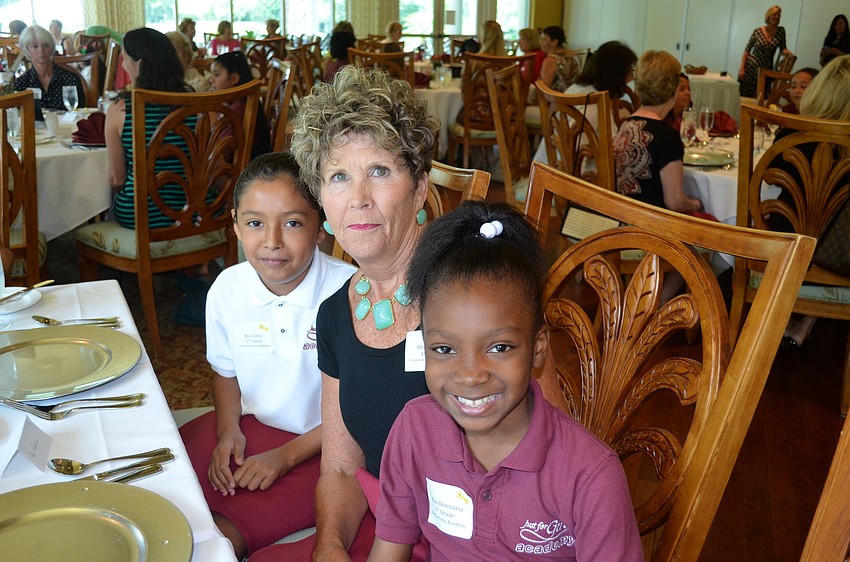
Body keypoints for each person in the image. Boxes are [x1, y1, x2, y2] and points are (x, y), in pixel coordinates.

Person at [367, 201, 644, 561]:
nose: (471, 374)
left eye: (499, 347)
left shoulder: (589, 475)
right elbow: (389, 548)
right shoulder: (414, 430)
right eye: (444, 348)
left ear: (538, 348)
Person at [247, 65, 439, 561]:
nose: (358, 199)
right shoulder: (336, 313)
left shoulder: (462, 299)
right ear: (323, 204)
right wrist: (329, 546)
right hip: (378, 524)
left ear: (419, 188)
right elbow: (338, 469)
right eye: (337, 176)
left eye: (379, 170)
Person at [179, 152, 356, 560]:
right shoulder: (227, 288)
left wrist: (287, 456)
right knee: (174, 481)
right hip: (252, 425)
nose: (272, 241)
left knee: (231, 529)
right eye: (255, 223)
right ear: (236, 226)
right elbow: (225, 373)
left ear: (321, 227)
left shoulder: (347, 293)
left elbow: (356, 410)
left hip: (326, 444)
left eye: (292, 223)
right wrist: (228, 431)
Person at [766, 55, 850, 347]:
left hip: (783, 248)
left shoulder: (793, 132)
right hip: (837, 257)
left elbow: (767, 178)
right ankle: (804, 325)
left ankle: (782, 317)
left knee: (775, 218)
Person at [106, 27, 195, 229]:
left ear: (139, 65)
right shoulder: (199, 107)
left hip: (139, 214)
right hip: (196, 212)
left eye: (124, 58)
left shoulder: (120, 111)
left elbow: (117, 180)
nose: (122, 64)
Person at [614, 50, 702, 214]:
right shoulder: (667, 137)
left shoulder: (626, 125)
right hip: (652, 228)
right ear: (674, 91)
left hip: (622, 218)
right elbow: (675, 203)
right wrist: (696, 204)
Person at [532, 40, 637, 165]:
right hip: (570, 178)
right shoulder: (594, 108)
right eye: (629, 73)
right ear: (615, 75)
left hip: (547, 167)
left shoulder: (576, 89)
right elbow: (579, 162)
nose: (631, 79)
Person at [208, 51, 271, 159]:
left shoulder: (237, 109)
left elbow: (223, 154)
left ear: (234, 78)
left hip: (246, 169)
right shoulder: (238, 103)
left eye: (217, 74)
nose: (211, 80)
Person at [14, 25, 84, 111]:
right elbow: (19, 116)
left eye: (46, 45)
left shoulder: (71, 79)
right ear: (27, 50)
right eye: (35, 46)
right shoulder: (22, 84)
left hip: (68, 124)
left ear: (52, 48)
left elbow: (80, 112)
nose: (41, 50)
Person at [739, 5, 793, 97]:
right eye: (774, 14)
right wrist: (742, 68)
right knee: (746, 95)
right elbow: (747, 50)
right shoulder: (758, 31)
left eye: (778, 15)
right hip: (752, 67)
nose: (776, 16)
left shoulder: (781, 31)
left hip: (766, 68)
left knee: (761, 96)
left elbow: (782, 48)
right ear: (769, 16)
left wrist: (789, 53)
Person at [538, 25, 575, 92]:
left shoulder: (550, 61)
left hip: (556, 99)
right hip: (573, 95)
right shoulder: (572, 56)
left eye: (544, 40)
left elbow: (544, 89)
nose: (540, 43)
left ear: (555, 41)